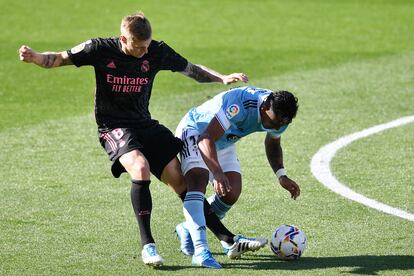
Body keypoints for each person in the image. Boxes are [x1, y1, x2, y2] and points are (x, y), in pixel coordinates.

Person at [18, 12, 266, 268]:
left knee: (181, 181)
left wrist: (221, 78)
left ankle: (228, 239)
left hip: (144, 124)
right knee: (140, 167)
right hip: (113, 127)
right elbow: (59, 58)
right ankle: (149, 246)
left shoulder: (155, 51)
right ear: (123, 38)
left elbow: (191, 69)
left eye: (146, 46)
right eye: (137, 47)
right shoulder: (99, 49)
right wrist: (35, 57)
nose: (143, 52)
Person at [175, 86, 301, 264]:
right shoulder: (240, 104)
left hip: (224, 140)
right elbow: (206, 138)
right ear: (265, 108)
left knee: (231, 192)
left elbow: (273, 144)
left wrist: (282, 175)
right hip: (197, 131)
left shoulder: (281, 116)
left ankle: (188, 227)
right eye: (274, 122)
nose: (277, 127)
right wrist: (217, 172)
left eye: (282, 124)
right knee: (198, 181)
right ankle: (201, 251)